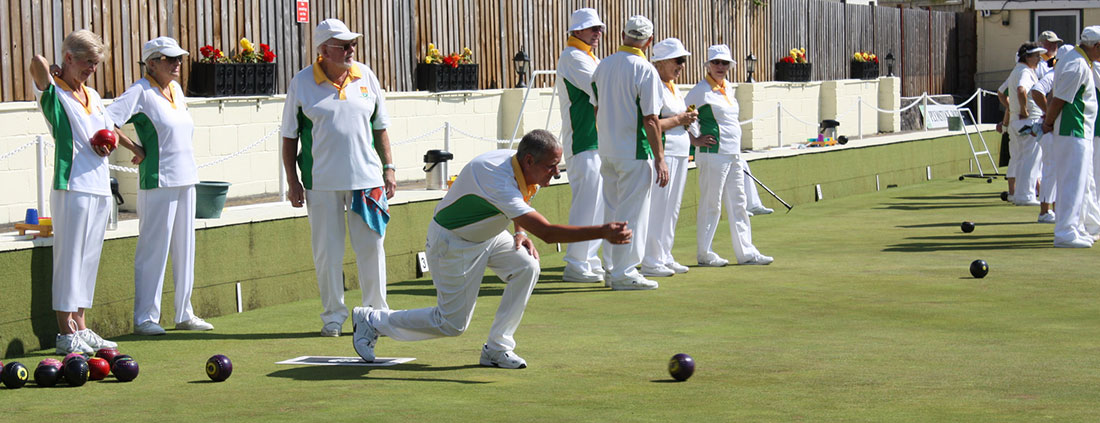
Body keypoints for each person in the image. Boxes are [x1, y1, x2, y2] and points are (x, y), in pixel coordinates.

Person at [350, 130, 633, 369]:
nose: (556, 174)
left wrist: (520, 232)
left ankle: (497, 348)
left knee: (527, 266)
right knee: (450, 324)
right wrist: (603, 232)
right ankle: (372, 320)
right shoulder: (497, 177)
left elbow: (519, 203)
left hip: (488, 236)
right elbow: (547, 233)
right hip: (452, 243)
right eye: (551, 167)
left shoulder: (520, 165)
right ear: (530, 160)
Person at [281, 18, 395, 336]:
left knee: (371, 247)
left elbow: (380, 127)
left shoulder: (366, 76)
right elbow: (289, 137)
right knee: (327, 252)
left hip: (367, 181)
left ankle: (376, 314)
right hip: (321, 183)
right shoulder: (301, 83)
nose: (351, 49)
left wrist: (389, 168)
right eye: (343, 44)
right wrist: (293, 181)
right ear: (323, 50)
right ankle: (333, 314)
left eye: (352, 43)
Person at [106, 37, 214, 335]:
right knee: (153, 249)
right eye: (169, 59)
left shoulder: (176, 89)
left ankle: (184, 313)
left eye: (178, 57)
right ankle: (145, 318)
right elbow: (107, 119)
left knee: (185, 249)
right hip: (158, 180)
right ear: (151, 62)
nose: (177, 63)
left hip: (186, 179)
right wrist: (135, 147)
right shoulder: (139, 91)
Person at [29, 29, 121, 354]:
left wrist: (112, 141)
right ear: (69, 58)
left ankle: (81, 326)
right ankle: (65, 333)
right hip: (72, 186)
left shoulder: (93, 96)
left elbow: (110, 130)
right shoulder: (54, 93)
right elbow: (36, 63)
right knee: (68, 260)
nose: (92, 69)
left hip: (98, 185)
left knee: (88, 260)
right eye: (87, 62)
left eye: (96, 64)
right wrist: (54, 68)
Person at [590, 15, 668, 290]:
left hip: (608, 151)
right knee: (632, 212)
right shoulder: (645, 70)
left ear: (623, 35)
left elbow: (596, 108)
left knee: (612, 209)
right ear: (649, 41)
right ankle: (624, 271)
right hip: (633, 151)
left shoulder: (603, 66)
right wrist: (660, 159)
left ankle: (613, 268)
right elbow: (651, 118)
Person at [685, 45, 773, 266]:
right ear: (708, 65)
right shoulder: (699, 91)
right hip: (712, 155)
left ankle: (747, 253)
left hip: (734, 155)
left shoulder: (729, 89)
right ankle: (704, 253)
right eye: (716, 62)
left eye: (724, 63)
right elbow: (683, 115)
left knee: (739, 203)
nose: (720, 67)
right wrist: (694, 140)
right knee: (711, 204)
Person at [557, 8, 607, 284]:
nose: (597, 32)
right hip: (582, 140)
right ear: (576, 31)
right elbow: (600, 88)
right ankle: (575, 262)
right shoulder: (573, 57)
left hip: (595, 140)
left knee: (597, 203)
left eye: (599, 28)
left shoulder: (587, 56)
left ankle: (588, 258)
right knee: (586, 203)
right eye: (592, 28)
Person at [640, 38, 697, 278]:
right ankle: (651, 260)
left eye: (683, 60)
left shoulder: (673, 86)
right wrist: (680, 120)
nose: (682, 65)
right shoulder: (654, 85)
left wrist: (689, 123)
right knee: (659, 207)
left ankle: (665, 254)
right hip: (664, 151)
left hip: (681, 151)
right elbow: (651, 123)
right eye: (678, 60)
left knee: (672, 208)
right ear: (661, 62)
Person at [1040, 26, 1100, 248]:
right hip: (1072, 130)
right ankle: (1065, 232)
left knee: (1081, 183)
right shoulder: (1077, 64)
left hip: (1079, 130)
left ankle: (1074, 227)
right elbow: (1059, 99)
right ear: (1097, 46)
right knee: (1071, 183)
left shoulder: (1081, 61)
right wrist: (1047, 123)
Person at [1005, 43, 1047, 207]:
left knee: (1023, 158)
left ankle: (1021, 195)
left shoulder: (1017, 70)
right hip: (1028, 121)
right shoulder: (1025, 72)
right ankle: (1027, 195)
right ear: (1027, 57)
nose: (1039, 59)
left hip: (1018, 121)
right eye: (1036, 56)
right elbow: (1021, 89)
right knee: (1031, 159)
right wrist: (1024, 109)